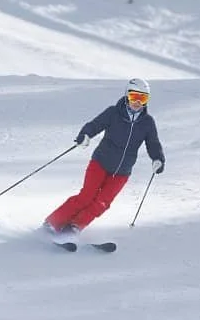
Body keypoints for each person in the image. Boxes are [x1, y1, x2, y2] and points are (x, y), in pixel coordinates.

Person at [43, 78, 165, 235]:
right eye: (135, 97)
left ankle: (75, 227)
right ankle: (53, 222)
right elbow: (95, 125)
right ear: (128, 95)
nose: (137, 102)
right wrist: (85, 135)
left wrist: (158, 159)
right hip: (100, 163)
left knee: (102, 203)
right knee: (86, 196)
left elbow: (153, 143)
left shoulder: (147, 122)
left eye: (143, 98)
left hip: (122, 172)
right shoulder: (113, 113)